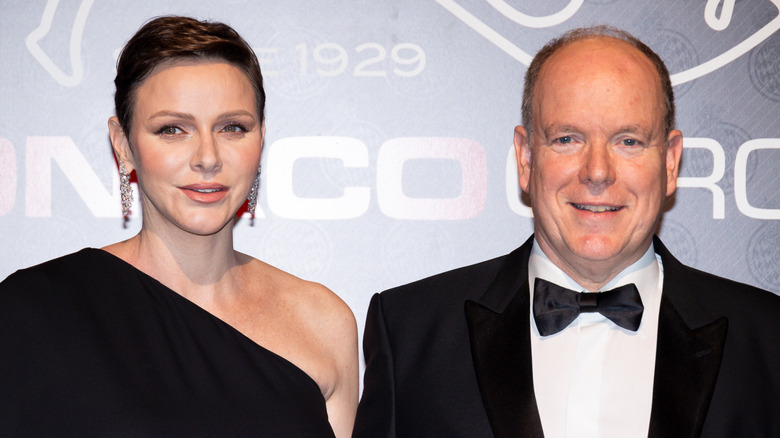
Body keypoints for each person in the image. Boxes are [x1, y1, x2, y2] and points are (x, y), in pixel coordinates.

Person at [353, 25, 780, 438]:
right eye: (567, 139)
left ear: (670, 162)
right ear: (525, 157)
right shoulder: (411, 333)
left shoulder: (767, 340)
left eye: (628, 141)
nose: (597, 172)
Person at [0, 16, 358, 437]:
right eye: (172, 129)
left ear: (261, 139)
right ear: (123, 145)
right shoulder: (34, 311)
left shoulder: (323, 322)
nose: (207, 156)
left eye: (232, 128)